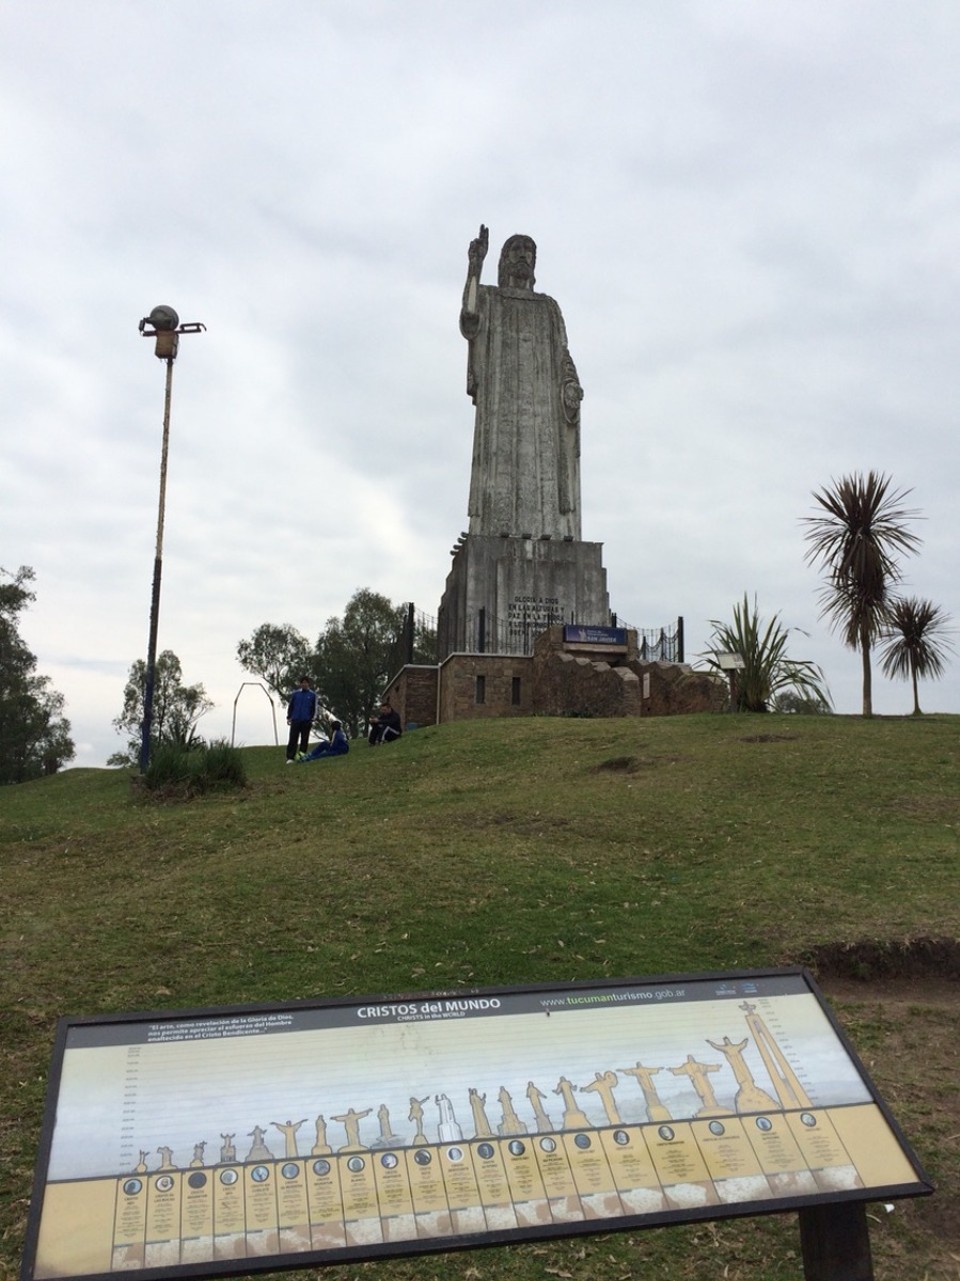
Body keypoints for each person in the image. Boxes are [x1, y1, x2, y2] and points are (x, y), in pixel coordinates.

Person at [460, 225, 583, 540]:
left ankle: (549, 533)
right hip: (501, 408)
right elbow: (470, 318)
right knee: (499, 474)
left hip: (542, 417)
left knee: (543, 477)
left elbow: (563, 356)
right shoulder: (490, 298)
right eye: (516, 250)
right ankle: (497, 532)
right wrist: (475, 266)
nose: (524, 255)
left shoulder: (549, 308)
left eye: (529, 251)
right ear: (504, 260)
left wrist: (570, 386)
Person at [285, 675, 317, 762]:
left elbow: (314, 708)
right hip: (295, 720)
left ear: (308, 684)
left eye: (306, 683)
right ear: (300, 684)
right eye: (302, 683)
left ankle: (301, 756)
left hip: (306, 720)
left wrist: (312, 718)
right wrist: (289, 717)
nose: (304, 684)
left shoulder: (312, 695)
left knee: (304, 739)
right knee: (293, 739)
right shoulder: (296, 694)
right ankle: (290, 757)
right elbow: (291, 706)